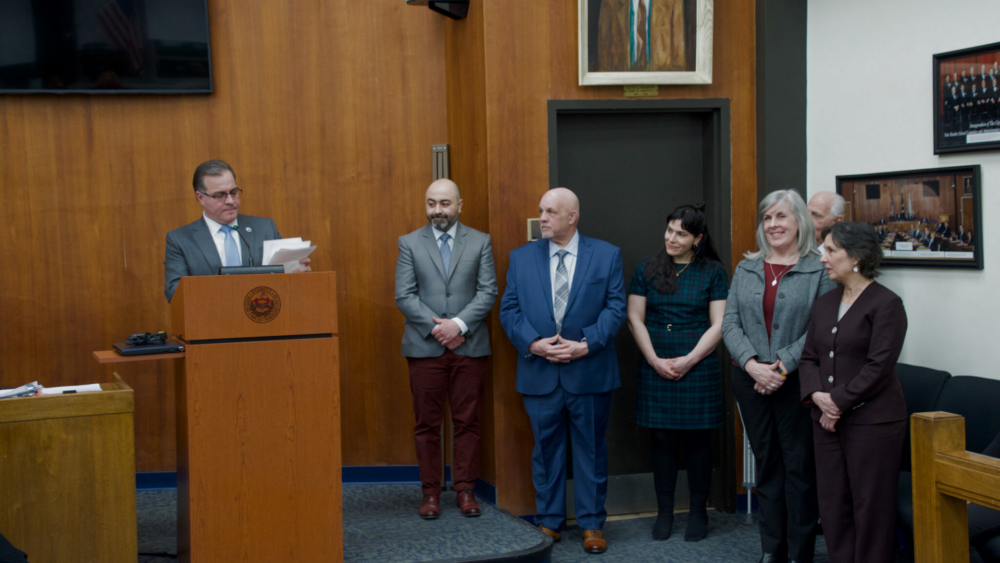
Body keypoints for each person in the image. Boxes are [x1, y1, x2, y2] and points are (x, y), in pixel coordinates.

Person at [499, 187, 626, 554]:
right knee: (546, 450)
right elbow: (509, 310)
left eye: (551, 212)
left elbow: (615, 308)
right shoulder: (521, 258)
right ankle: (549, 522)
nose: (543, 218)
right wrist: (533, 343)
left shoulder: (606, 255)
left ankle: (591, 524)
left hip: (589, 371)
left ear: (573, 217)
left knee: (591, 450)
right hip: (540, 371)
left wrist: (586, 344)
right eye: (541, 211)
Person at [721, 189, 836, 563]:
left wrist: (781, 365)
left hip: (797, 383)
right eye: (767, 218)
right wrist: (752, 363)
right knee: (767, 465)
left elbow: (822, 329)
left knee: (799, 468)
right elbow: (730, 323)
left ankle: (800, 552)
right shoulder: (747, 267)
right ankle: (773, 549)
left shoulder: (820, 269)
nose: (773, 225)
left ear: (800, 221)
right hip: (749, 379)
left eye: (781, 217)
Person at [800, 221, 908, 563]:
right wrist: (818, 397)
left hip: (873, 424)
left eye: (831, 251)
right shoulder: (825, 302)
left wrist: (837, 404)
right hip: (826, 422)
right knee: (833, 503)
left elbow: (879, 366)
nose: (823, 259)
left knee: (871, 507)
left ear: (857, 257)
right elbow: (808, 358)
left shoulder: (887, 304)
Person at [394, 179, 498, 520]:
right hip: (425, 347)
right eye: (431, 203)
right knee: (427, 424)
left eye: (444, 203)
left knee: (467, 421)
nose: (437, 210)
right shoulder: (409, 243)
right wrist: (440, 329)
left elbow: (488, 292)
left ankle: (465, 490)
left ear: (459, 204)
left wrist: (459, 325)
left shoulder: (481, 241)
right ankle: (430, 494)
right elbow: (404, 295)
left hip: (471, 346)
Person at [627, 203, 728, 542]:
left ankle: (698, 513)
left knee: (699, 442)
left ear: (697, 238)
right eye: (669, 230)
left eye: (681, 233)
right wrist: (655, 360)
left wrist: (688, 360)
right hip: (655, 359)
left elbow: (719, 325)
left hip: (697, 363)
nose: (671, 238)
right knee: (662, 441)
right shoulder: (647, 267)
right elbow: (635, 318)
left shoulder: (712, 271)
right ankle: (665, 513)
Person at [163, 160, 310, 302]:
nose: (230, 201)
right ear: (200, 197)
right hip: (210, 323)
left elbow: (283, 283)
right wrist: (226, 294)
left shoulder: (264, 229)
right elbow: (175, 292)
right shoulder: (181, 239)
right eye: (220, 195)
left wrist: (295, 275)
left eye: (233, 192)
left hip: (261, 317)